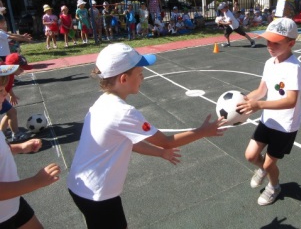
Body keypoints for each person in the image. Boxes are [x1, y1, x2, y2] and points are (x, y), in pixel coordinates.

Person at [67, 43, 226, 229]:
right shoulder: (123, 112)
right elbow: (167, 142)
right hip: (97, 194)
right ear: (124, 78)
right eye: (140, 74)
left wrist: (159, 153)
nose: (143, 78)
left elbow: (128, 143)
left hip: (81, 187)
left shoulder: (103, 102)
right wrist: (203, 131)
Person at [237, 17, 301, 206]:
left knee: (268, 163)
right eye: (268, 40)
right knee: (250, 155)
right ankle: (264, 170)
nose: (270, 45)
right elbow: (261, 91)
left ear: (291, 43)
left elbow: (291, 101)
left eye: (276, 42)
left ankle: (274, 187)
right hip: (269, 119)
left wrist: (259, 106)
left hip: (285, 125)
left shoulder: (294, 68)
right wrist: (243, 101)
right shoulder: (270, 63)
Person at [0, 65, 61, 228]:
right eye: (0, 90)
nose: (5, 93)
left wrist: (21, 148)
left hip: (13, 203)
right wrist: (36, 181)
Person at [0, 54, 33, 142]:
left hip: (1, 96)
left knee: (11, 112)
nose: (22, 71)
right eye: (21, 69)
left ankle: (2, 131)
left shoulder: (9, 73)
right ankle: (16, 134)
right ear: (13, 67)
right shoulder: (3, 74)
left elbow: (8, 86)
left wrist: (11, 95)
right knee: (12, 112)